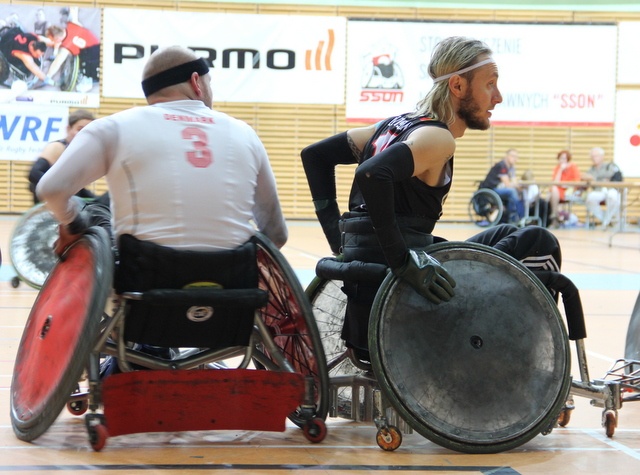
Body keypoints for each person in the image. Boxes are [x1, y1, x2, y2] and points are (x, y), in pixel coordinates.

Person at [301, 36, 570, 361]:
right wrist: (401, 260)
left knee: (504, 234)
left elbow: (314, 156)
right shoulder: (438, 137)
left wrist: (337, 237)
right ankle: (523, 366)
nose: (498, 97)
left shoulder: (391, 126)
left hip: (369, 281)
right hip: (403, 298)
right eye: (490, 84)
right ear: (457, 85)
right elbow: (372, 174)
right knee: (539, 240)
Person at [37, 44, 287, 254]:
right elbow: (276, 234)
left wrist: (73, 222)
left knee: (93, 209)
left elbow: (51, 189)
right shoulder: (245, 133)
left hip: (145, 284)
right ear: (196, 82)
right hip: (235, 285)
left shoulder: (113, 127)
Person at [28, 109, 97, 205]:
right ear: (69, 129)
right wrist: (59, 191)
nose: (84, 134)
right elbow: (34, 173)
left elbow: (77, 190)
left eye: (88, 130)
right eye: (80, 129)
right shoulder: (57, 147)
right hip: (48, 206)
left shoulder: (80, 153)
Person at [42, 13, 100, 91]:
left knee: (81, 89)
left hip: (92, 59)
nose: (52, 42)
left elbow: (57, 63)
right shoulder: (72, 24)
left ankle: (88, 78)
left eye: (52, 40)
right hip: (98, 47)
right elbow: (73, 12)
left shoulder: (67, 46)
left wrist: (48, 76)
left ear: (57, 38)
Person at [479, 148, 524, 224]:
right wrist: (516, 186)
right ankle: (518, 216)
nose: (515, 159)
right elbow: (508, 185)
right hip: (491, 189)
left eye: (516, 157)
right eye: (513, 156)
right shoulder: (501, 166)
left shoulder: (511, 168)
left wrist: (519, 187)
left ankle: (512, 218)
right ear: (507, 156)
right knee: (512, 191)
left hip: (499, 189)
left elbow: (514, 182)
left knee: (519, 192)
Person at [584, 147, 622, 229]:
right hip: (598, 191)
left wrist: (594, 178)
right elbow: (586, 178)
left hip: (611, 189)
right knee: (590, 199)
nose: (594, 158)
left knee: (614, 197)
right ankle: (606, 220)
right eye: (592, 156)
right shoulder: (591, 169)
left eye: (596, 156)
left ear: (602, 156)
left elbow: (611, 175)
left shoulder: (610, 166)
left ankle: (608, 222)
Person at [548, 149, 582, 228]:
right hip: (558, 191)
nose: (562, 160)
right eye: (561, 158)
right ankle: (555, 216)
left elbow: (577, 181)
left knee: (551, 193)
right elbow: (555, 182)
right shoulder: (557, 168)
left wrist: (566, 185)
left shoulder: (573, 167)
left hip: (569, 191)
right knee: (553, 189)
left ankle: (554, 217)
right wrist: (560, 170)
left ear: (568, 159)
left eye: (564, 158)